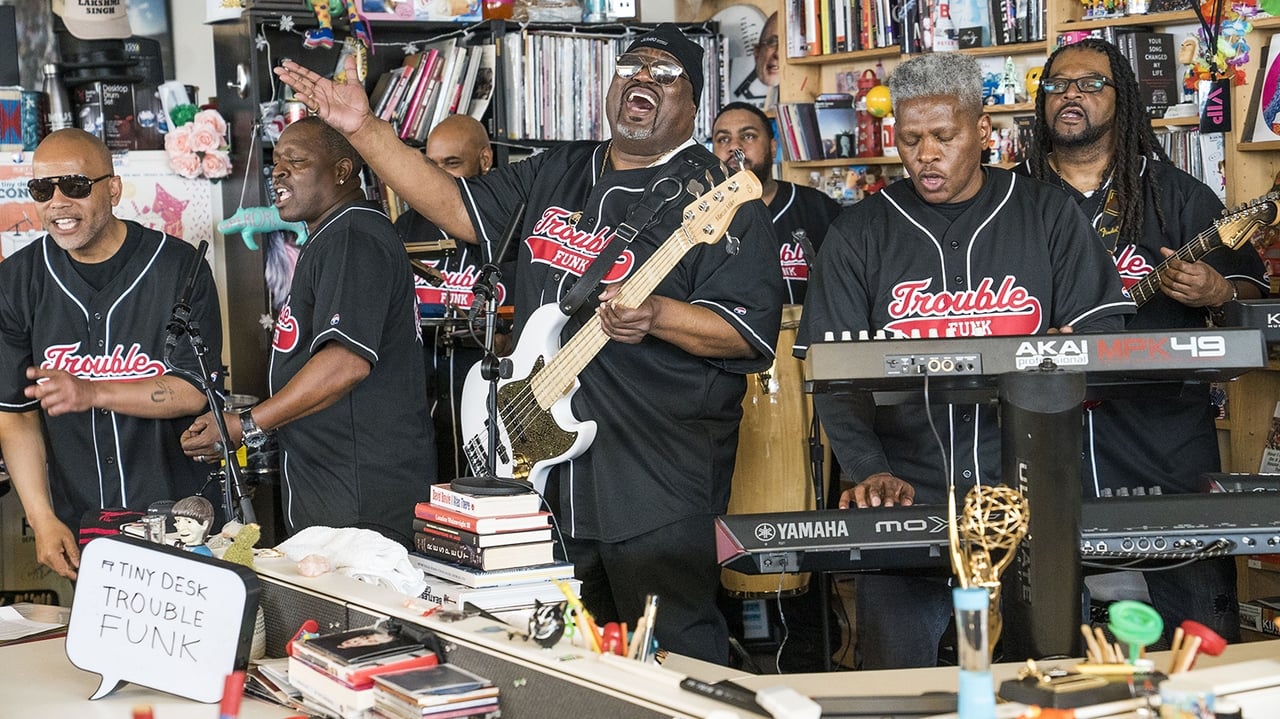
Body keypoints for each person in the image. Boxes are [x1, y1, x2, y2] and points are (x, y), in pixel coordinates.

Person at [276, 24, 783, 664]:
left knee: (673, 654)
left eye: (664, 73)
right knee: (558, 658)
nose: (641, 80)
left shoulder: (722, 199)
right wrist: (363, 129)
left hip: (654, 477)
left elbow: (748, 331)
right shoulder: (560, 170)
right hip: (543, 474)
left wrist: (657, 315)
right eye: (631, 67)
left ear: (693, 102)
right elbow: (454, 205)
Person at [794, 53, 1135, 669]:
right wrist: (868, 469)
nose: (926, 154)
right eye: (910, 138)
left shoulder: (1047, 213)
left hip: (1032, 494)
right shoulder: (860, 231)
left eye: (944, 137)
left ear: (982, 132)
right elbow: (831, 373)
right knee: (897, 688)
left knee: (1047, 679)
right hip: (905, 493)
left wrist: (1067, 353)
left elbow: (1103, 331)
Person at [1021, 38, 1268, 644]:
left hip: (1161, 431)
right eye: (1057, 85)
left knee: (1192, 616)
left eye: (1088, 84)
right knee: (1047, 624)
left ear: (1123, 99)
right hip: (1039, 429)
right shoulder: (1009, 196)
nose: (1069, 94)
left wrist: (1217, 291)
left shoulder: (1174, 193)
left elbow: (1253, 295)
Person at [181, 117, 434, 546]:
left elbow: (344, 364)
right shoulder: (331, 236)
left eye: (295, 161)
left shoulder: (353, 237)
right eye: (276, 162)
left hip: (361, 495)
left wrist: (246, 424)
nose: (277, 171)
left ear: (341, 170)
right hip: (335, 485)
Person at [0, 128, 222, 580]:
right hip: (81, 524)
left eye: (76, 186)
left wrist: (92, 392)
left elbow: (190, 390)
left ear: (113, 189)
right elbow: (15, 413)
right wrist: (42, 518)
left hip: (182, 521)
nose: (57, 202)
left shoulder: (181, 268)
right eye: (43, 189)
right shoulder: (16, 281)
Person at [394, 114, 509, 481]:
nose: (438, 174)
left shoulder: (513, 227)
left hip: (491, 402)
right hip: (418, 402)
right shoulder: (405, 227)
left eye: (452, 163)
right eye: (432, 164)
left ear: (485, 160)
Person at [711, 101, 839, 305]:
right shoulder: (702, 216)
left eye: (748, 136)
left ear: (772, 147)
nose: (734, 147)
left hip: (805, 334)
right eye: (723, 139)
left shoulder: (819, 207)